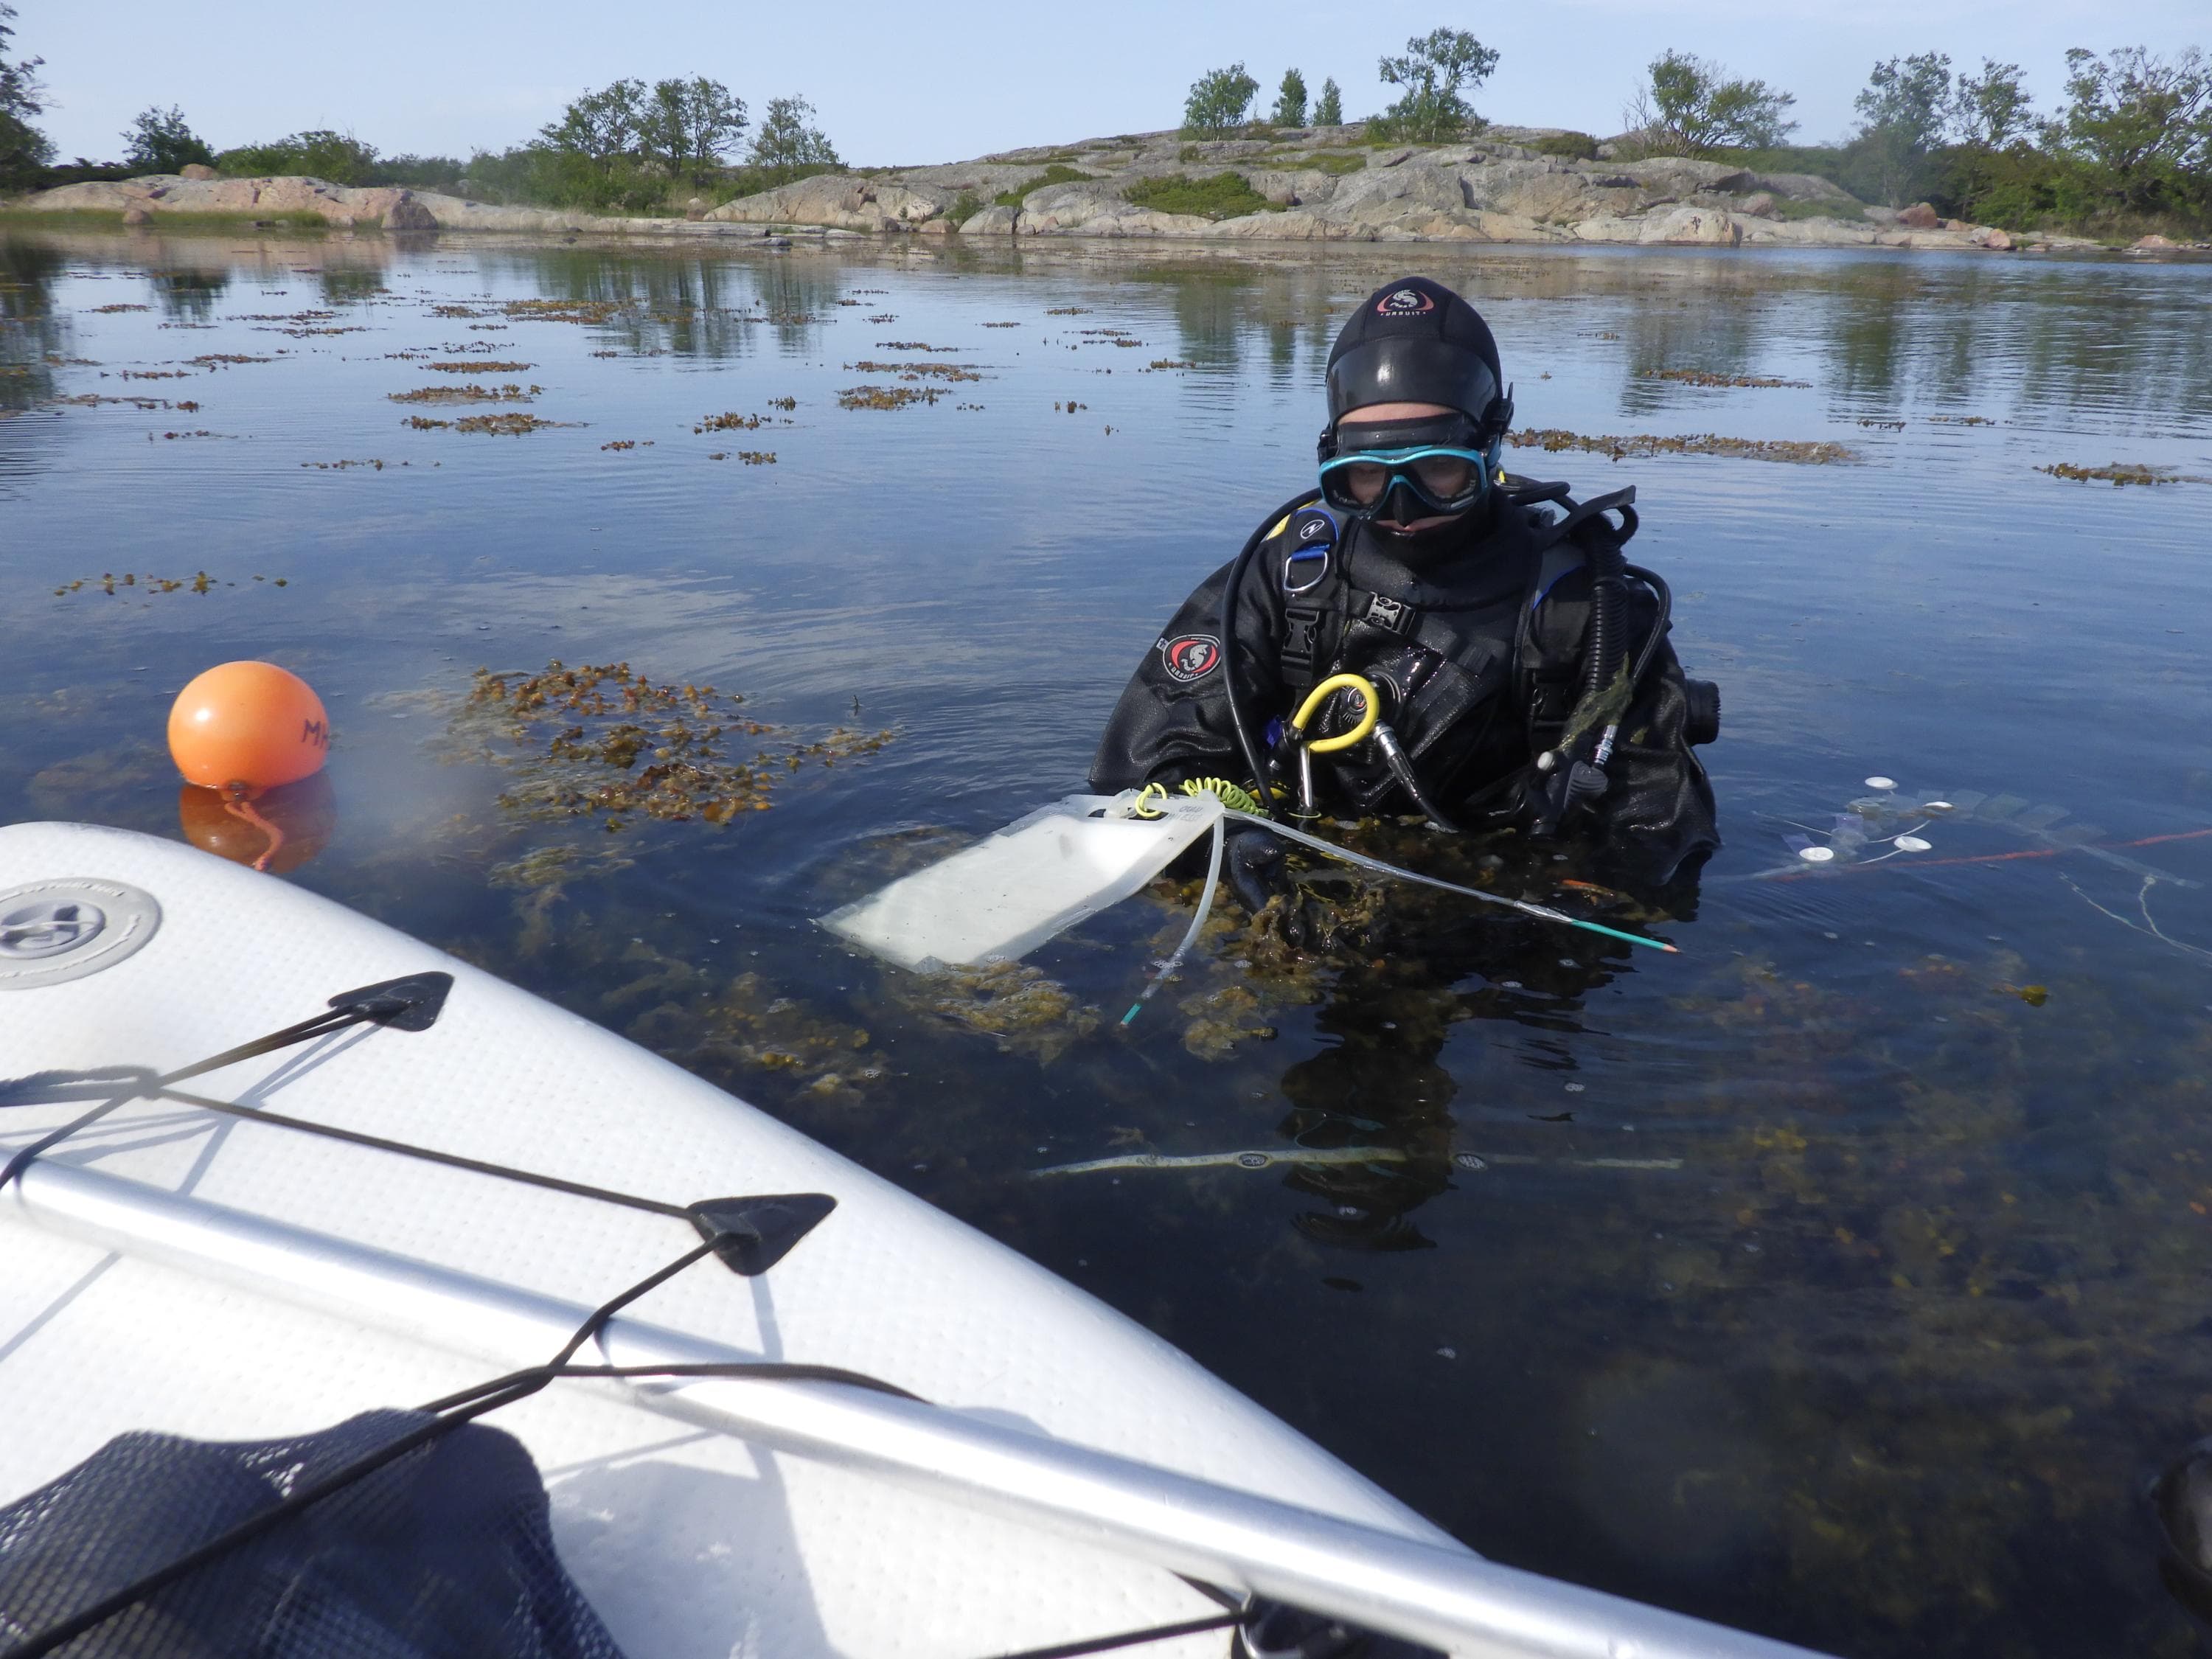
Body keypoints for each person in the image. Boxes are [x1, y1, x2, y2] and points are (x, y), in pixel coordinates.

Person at [1090, 275, 1719, 938]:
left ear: (1491, 444)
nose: (1401, 509)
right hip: (1297, 883)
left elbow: (1657, 832)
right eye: (1365, 476)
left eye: (1437, 470)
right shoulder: (1290, 574)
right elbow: (1146, 761)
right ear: (1333, 460)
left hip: (1494, 915)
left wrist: (1472, 923)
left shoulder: (1586, 608)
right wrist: (1227, 840)